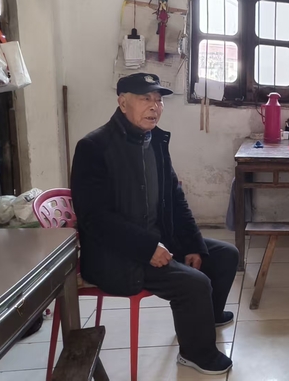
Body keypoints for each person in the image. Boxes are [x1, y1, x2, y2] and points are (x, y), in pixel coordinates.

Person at [71, 73, 238, 375]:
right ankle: (195, 353)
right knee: (194, 283)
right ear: (123, 103)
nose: (155, 106)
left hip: (157, 239)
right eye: (145, 98)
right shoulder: (94, 147)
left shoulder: (155, 141)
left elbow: (175, 198)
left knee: (225, 255)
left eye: (159, 100)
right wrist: (148, 247)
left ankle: (206, 317)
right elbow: (95, 218)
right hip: (117, 255)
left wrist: (193, 244)